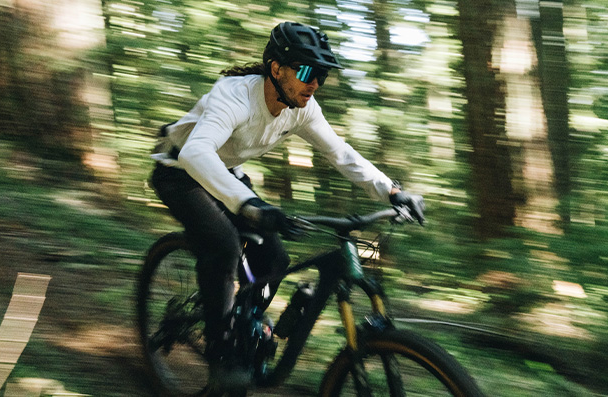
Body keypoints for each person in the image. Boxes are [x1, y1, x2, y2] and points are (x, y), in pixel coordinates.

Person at [149, 21, 425, 389]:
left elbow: (339, 152)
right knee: (223, 245)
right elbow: (197, 153)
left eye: (321, 76)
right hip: (179, 172)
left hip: (226, 175)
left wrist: (392, 191)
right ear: (276, 68)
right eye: (307, 72)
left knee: (275, 258)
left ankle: (242, 326)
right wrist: (247, 204)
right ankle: (221, 352)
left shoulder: (301, 107)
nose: (314, 84)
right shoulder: (234, 95)